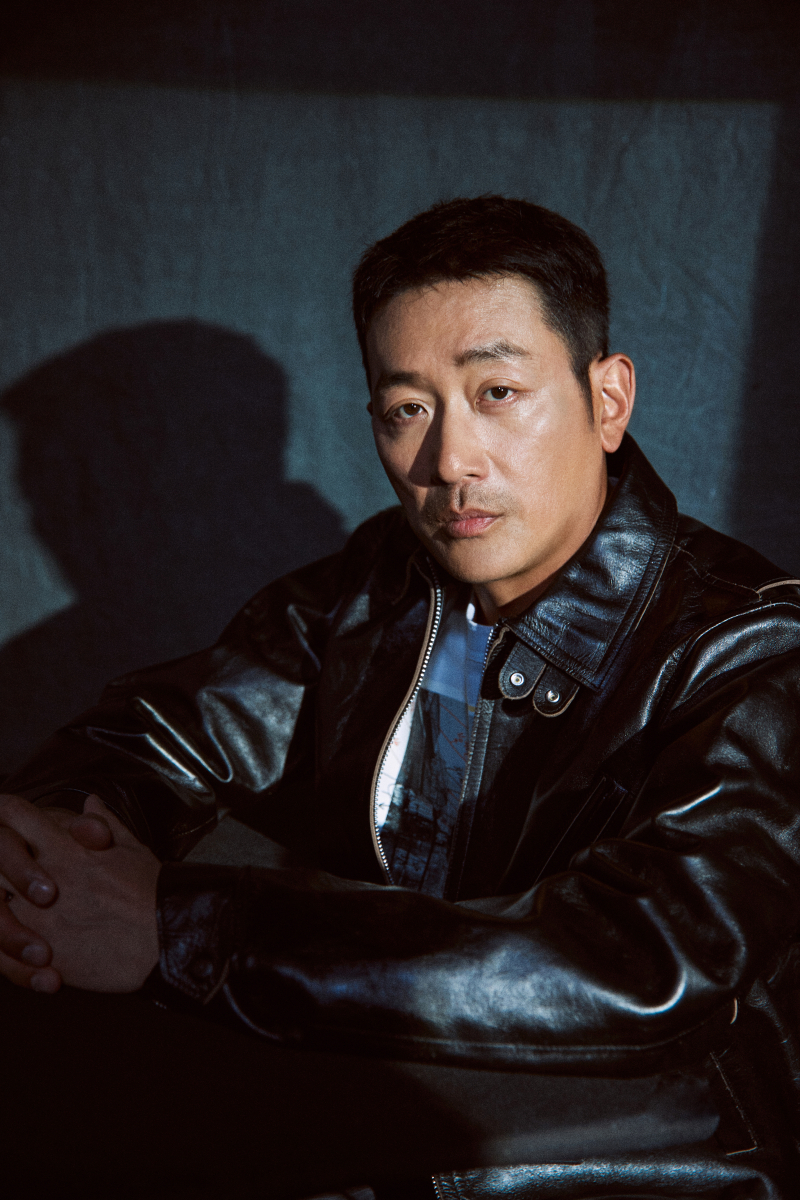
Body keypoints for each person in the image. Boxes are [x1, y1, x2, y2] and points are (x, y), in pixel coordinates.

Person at [1, 195, 799, 1199]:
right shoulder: (384, 586)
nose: (449, 462)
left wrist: (183, 931)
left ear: (606, 400)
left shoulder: (750, 645)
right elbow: (160, 734)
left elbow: (642, 960)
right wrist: (44, 869)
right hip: (380, 1102)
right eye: (407, 410)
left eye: (497, 393)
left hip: (640, 1149)